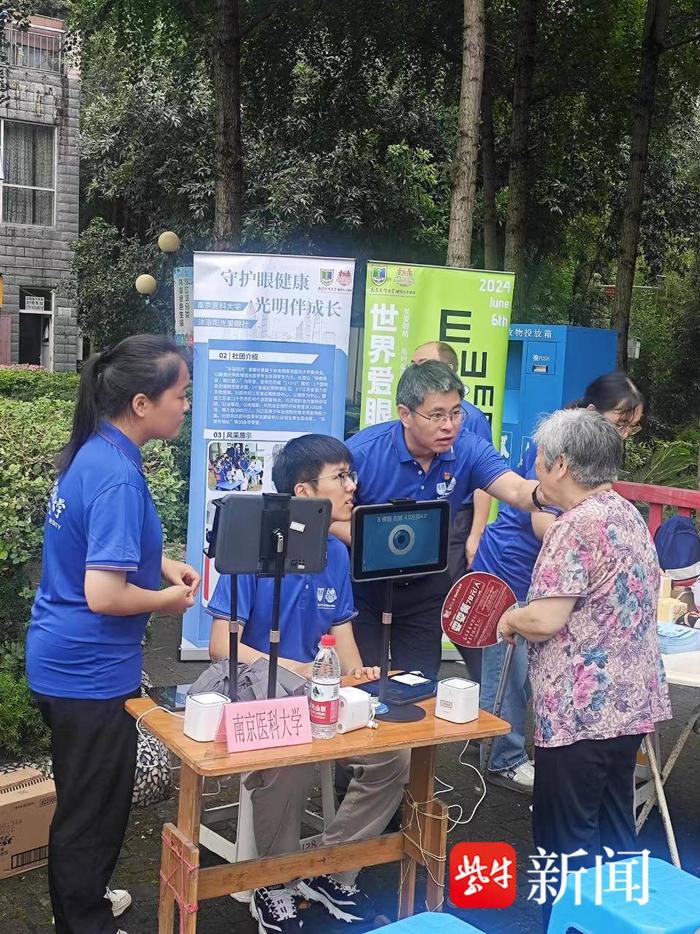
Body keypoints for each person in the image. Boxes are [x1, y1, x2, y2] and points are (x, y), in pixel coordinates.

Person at [26, 335, 200, 934]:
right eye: (182, 394)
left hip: (70, 662)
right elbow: (104, 595)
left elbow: (107, 555)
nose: (186, 405)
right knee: (90, 814)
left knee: (93, 802)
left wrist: (162, 564)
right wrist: (168, 600)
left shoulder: (100, 452)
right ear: (142, 402)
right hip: (87, 673)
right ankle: (85, 921)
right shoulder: (116, 475)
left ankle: (88, 901)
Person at [207, 434, 409, 934]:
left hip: (321, 693)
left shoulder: (334, 555)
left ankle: (331, 870)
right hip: (262, 690)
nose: (352, 486)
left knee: (392, 755)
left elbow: (342, 638)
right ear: (301, 492)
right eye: (340, 477)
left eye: (351, 474)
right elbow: (220, 646)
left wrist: (359, 680)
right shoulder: (251, 546)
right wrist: (302, 672)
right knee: (291, 753)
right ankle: (273, 884)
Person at [497, 408, 671, 925]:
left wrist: (510, 618)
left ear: (562, 465)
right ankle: (620, 920)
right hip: (629, 704)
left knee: (565, 836)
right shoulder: (626, 513)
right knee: (615, 826)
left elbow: (547, 618)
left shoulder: (574, 528)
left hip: (581, 713)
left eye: (539, 462)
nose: (536, 472)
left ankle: (569, 921)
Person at [473, 371, 645, 795]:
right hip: (512, 569)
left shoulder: (592, 459)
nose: (623, 433)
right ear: (591, 412)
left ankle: (515, 747)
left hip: (555, 579)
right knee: (508, 670)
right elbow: (543, 520)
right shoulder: (558, 445)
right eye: (619, 421)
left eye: (631, 426)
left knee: (535, 663)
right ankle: (502, 758)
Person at [338, 360, 547, 680]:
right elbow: (324, 517)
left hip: (426, 587)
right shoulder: (363, 454)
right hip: (363, 589)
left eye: (456, 413)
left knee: (419, 684)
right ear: (405, 414)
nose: (449, 425)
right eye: (437, 415)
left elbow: (517, 491)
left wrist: (558, 495)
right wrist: (376, 539)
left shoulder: (468, 449)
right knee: (365, 682)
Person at [411, 341, 493, 578]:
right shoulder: (413, 411)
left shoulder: (472, 418)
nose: (416, 371)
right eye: (413, 365)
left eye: (424, 364)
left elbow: (485, 482)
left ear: (449, 369)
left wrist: (475, 536)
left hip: (456, 515)